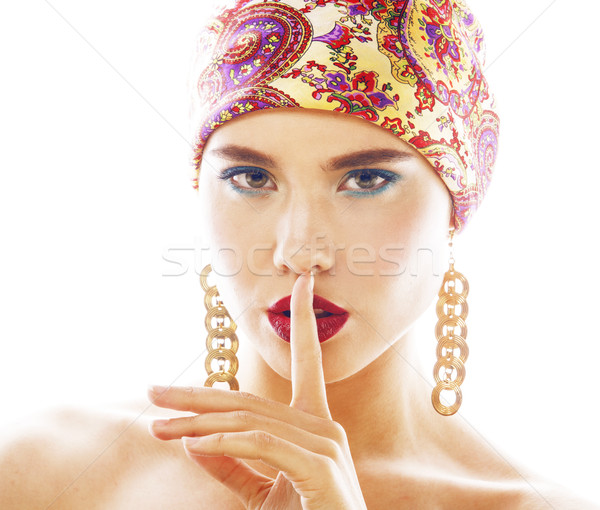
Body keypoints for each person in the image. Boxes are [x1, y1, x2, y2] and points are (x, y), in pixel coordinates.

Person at [0, 0, 598, 508]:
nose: (299, 252)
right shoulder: (42, 473)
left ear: (457, 202)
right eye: (250, 178)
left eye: (366, 179)